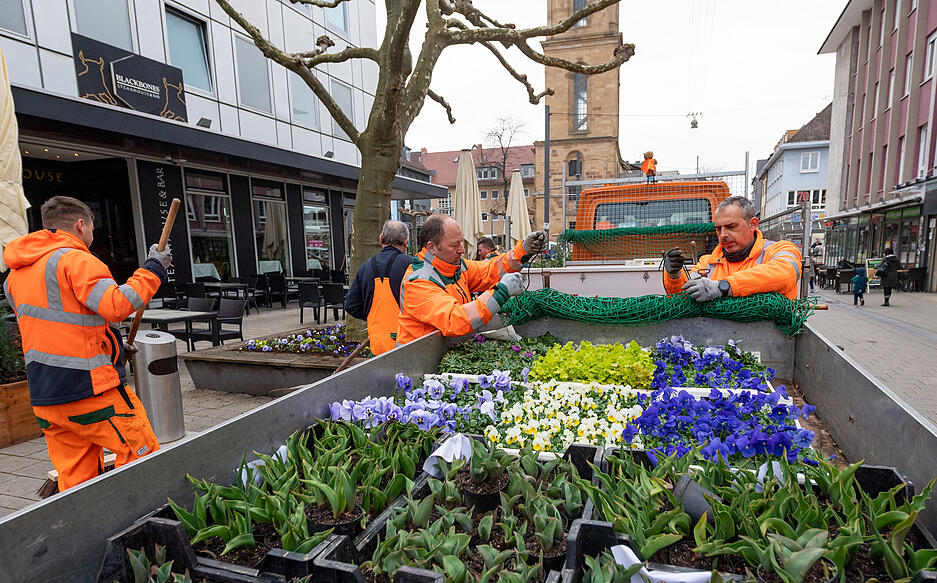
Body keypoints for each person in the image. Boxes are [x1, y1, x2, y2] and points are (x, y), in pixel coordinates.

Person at [2, 196, 171, 491]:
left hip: (46, 397)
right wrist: (153, 268)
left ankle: (87, 531)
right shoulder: (77, 260)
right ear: (81, 225)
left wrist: (114, 347)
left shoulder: (15, 276)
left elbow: (62, 324)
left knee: (76, 480)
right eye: (92, 227)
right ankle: (141, 528)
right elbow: (118, 305)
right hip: (91, 392)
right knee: (140, 454)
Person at [396, 215, 547, 346]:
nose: (462, 250)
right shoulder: (418, 282)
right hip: (415, 365)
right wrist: (501, 292)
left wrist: (524, 251)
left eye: (461, 242)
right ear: (432, 247)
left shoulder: (457, 266)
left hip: (442, 353)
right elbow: (455, 320)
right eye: (455, 245)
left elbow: (491, 270)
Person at [662, 196, 802, 301]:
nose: (723, 235)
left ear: (753, 224)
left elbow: (785, 275)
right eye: (718, 229)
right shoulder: (707, 262)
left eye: (731, 227)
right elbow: (681, 297)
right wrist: (675, 276)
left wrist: (723, 287)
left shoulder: (781, 249)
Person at [344, 220, 413, 355]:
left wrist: (373, 316)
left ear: (381, 239)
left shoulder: (365, 266)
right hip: (407, 344)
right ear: (406, 241)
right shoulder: (411, 265)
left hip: (377, 346)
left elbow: (351, 305)